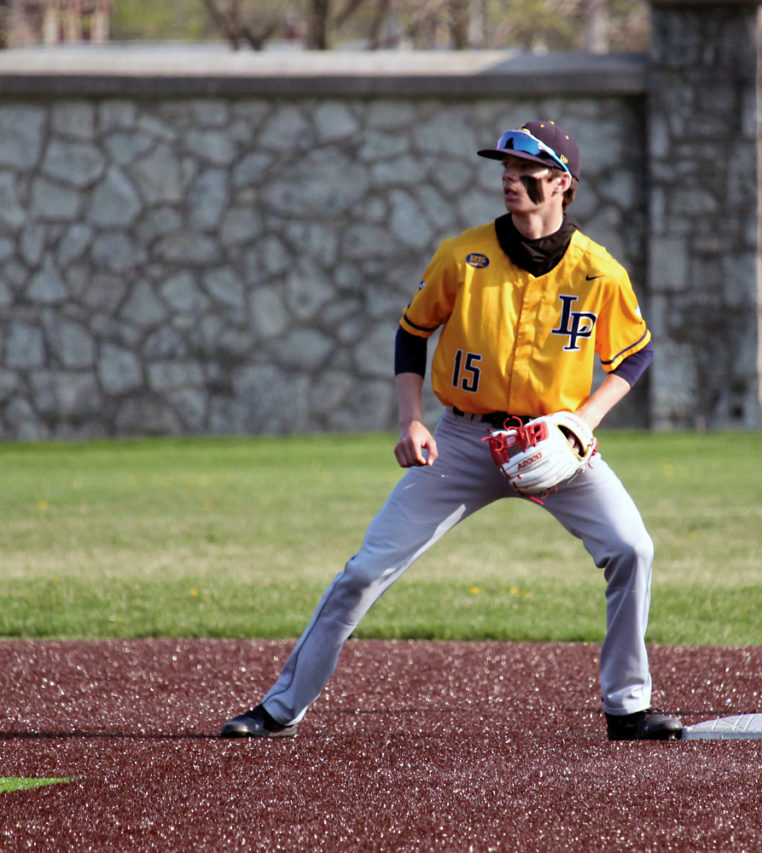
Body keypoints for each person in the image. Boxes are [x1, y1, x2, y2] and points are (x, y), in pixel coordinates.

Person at [221, 121, 683, 741]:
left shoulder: (599, 271)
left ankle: (627, 706)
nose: (509, 178)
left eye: (526, 170)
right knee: (364, 571)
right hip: (462, 441)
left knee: (633, 548)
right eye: (505, 168)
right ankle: (281, 708)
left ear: (562, 183)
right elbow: (412, 333)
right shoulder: (463, 255)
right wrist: (411, 419)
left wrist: (581, 423)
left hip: (554, 443)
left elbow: (635, 355)